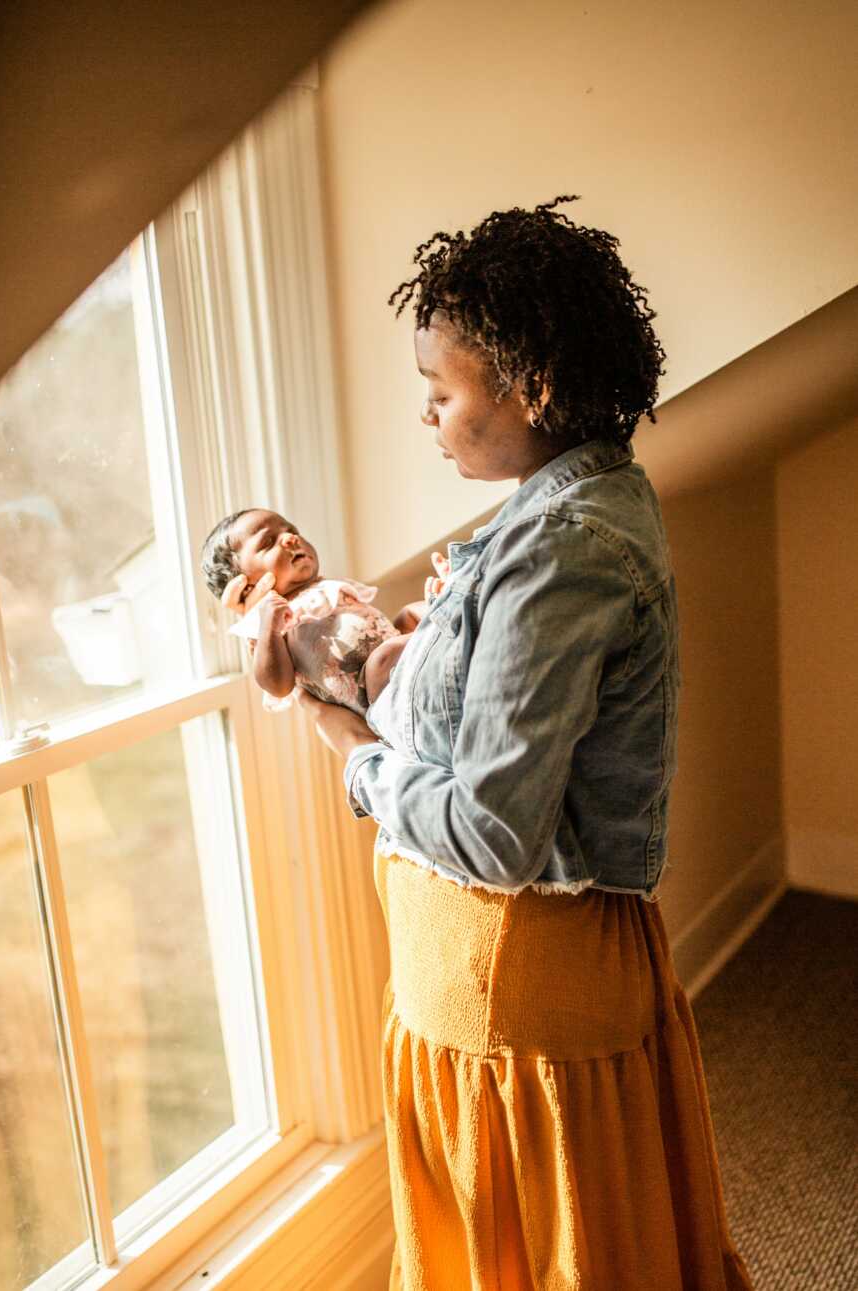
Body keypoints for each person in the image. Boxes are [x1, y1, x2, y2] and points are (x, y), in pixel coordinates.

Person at [293, 197, 755, 1289]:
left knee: (538, 1251)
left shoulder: (563, 550)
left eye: (439, 390)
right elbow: (505, 716)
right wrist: (412, 659)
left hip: (516, 980)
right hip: (502, 977)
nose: (428, 415)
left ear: (530, 385)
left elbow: (495, 832)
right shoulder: (569, 503)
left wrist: (352, 757)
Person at [200, 507, 430, 713]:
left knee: (412, 612)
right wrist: (268, 629)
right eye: (268, 542)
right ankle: (435, 634)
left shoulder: (321, 587)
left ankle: (443, 615)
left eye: (291, 530)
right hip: (379, 692)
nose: (290, 538)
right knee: (384, 656)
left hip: (397, 656)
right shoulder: (266, 619)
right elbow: (277, 686)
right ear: (246, 584)